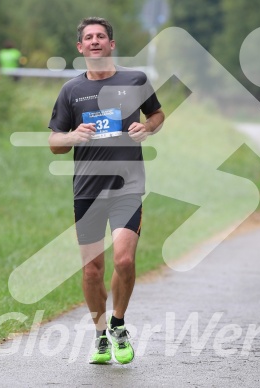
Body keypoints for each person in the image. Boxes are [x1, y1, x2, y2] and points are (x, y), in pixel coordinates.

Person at [47, 17, 165, 365]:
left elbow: (157, 115)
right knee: (92, 270)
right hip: (88, 190)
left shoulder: (135, 80)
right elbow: (54, 142)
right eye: (89, 37)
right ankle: (100, 335)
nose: (95, 41)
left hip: (127, 186)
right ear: (80, 48)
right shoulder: (71, 90)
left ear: (111, 45)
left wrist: (147, 129)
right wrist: (73, 136)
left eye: (101, 36)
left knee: (125, 259)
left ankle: (118, 324)